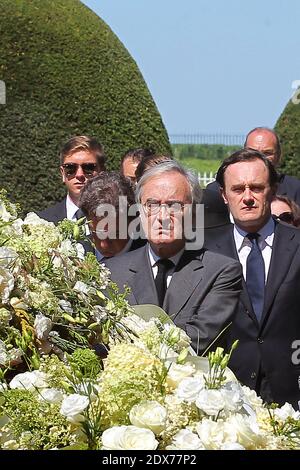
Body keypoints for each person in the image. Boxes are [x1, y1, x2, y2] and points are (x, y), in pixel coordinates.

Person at [105, 160, 242, 355]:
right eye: (151, 204)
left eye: (173, 205)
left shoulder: (220, 272)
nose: (162, 216)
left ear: (194, 213)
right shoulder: (111, 273)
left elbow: (198, 340)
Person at [204, 148, 300, 408]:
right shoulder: (204, 252)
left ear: (273, 189)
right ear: (224, 195)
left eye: (256, 188)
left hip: (291, 394)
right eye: (237, 189)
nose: (247, 198)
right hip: (225, 397)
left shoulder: (297, 245)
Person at [207, 127, 300, 204]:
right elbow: (199, 223)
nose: (260, 158)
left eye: (267, 153)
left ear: (279, 155)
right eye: (253, 152)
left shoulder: (295, 189)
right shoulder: (213, 190)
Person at [38, 135, 105, 223]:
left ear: (102, 173)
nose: (79, 175)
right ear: (63, 173)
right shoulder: (43, 221)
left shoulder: (119, 221)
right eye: (71, 168)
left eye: (88, 168)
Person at [79, 172, 145, 261]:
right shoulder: (76, 253)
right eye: (96, 233)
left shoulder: (149, 257)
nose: (104, 245)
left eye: (114, 234)